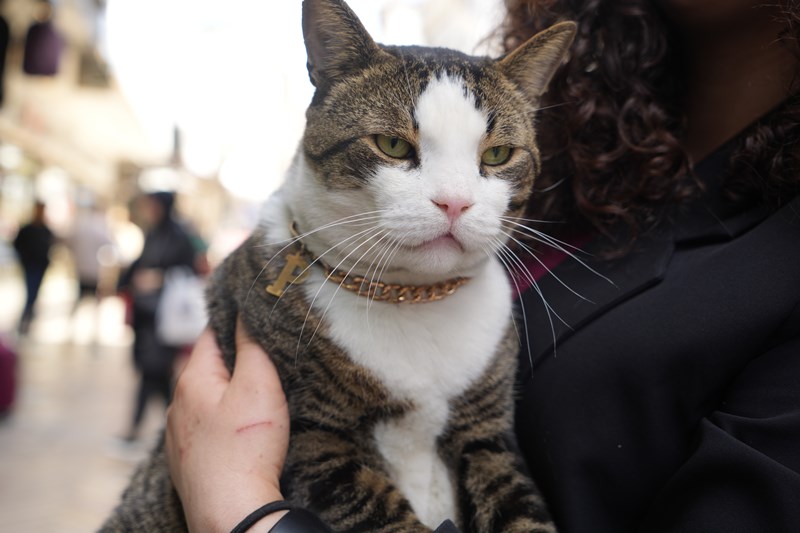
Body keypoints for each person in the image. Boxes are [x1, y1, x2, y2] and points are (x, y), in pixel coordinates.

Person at [165, 1, 800, 532]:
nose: (455, 198)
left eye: (493, 157)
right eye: (395, 145)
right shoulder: (590, 161)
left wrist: (241, 512)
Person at [118, 191, 197, 442]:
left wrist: (158, 278)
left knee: (151, 373)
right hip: (146, 316)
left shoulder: (179, 236)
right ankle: (175, 432)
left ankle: (136, 431)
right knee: (159, 378)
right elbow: (139, 264)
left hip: (165, 318)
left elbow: (188, 271)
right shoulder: (153, 233)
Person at [13, 201, 54, 335]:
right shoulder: (27, 229)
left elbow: (50, 246)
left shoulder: (46, 230)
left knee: (35, 292)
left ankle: (28, 316)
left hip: (40, 265)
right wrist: (24, 257)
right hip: (30, 265)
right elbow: (17, 245)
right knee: (31, 292)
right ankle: (26, 318)